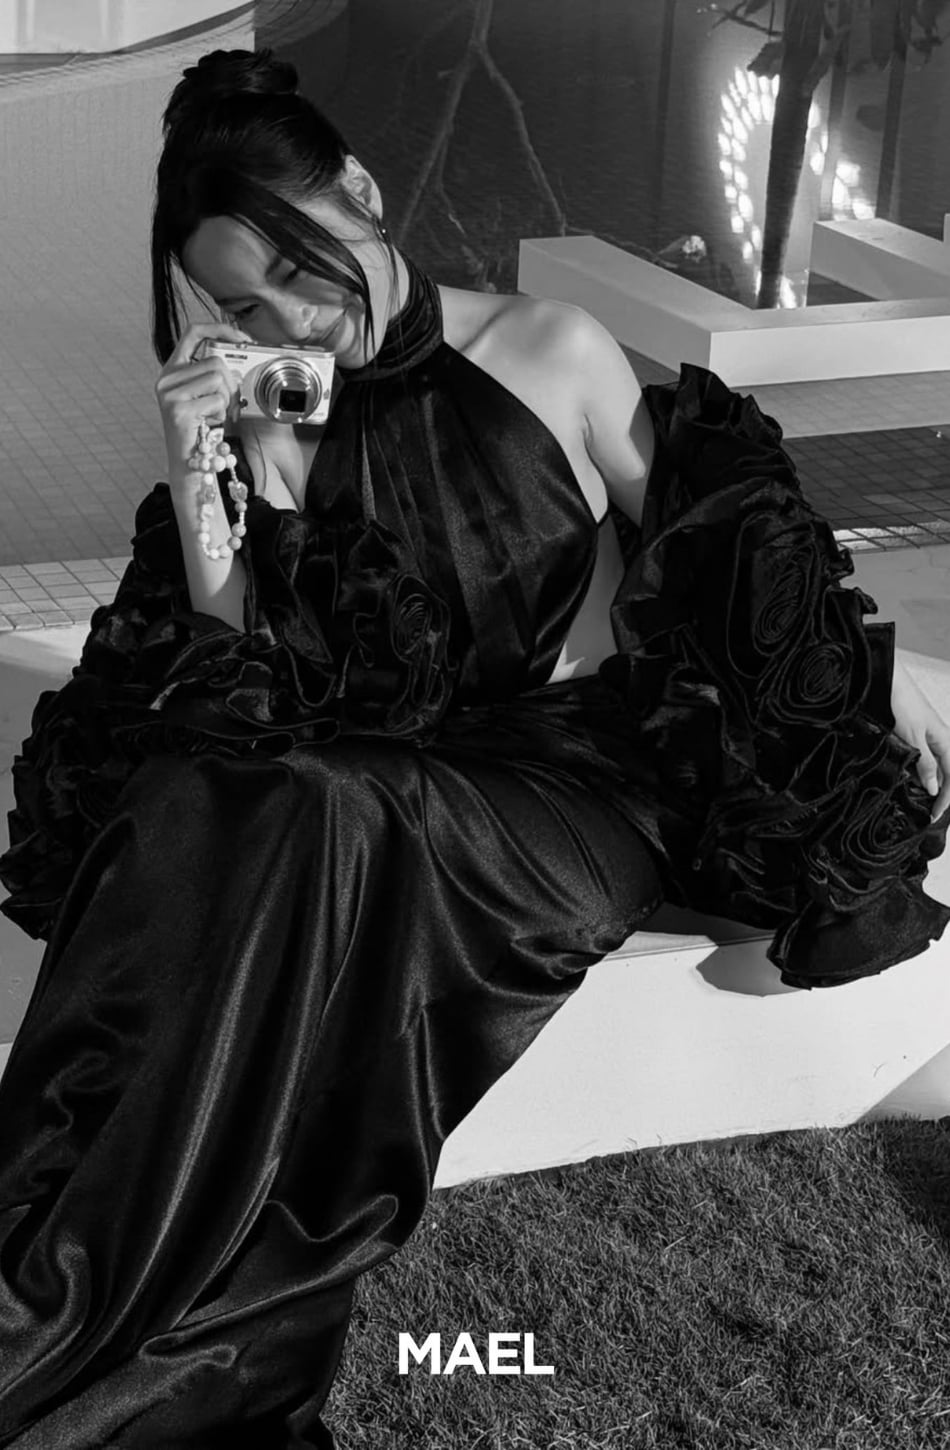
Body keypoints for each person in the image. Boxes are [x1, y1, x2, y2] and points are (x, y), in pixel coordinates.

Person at [0, 45, 948, 1449]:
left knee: (323, 804)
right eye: (245, 306)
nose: (292, 322)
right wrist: (213, 468)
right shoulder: (276, 415)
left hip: (584, 791)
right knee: (233, 792)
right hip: (387, 788)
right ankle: (59, 1262)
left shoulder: (550, 349)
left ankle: (102, 1317)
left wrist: (873, 663)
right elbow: (242, 685)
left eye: (301, 271)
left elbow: (727, 553)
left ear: (361, 193)